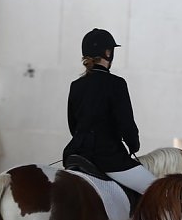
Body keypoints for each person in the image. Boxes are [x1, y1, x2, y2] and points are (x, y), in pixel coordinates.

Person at [62, 28, 155, 195]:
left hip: (76, 155)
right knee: (158, 191)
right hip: (107, 157)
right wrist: (133, 144)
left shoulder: (76, 85)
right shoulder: (116, 84)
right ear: (108, 52)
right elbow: (126, 124)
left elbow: (73, 125)